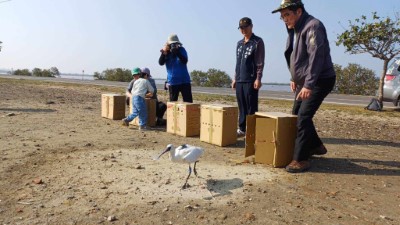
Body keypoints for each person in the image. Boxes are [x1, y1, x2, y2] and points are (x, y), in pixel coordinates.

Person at [272, 0, 336, 173]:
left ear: (299, 12)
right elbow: (296, 57)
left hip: (319, 80)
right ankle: (316, 146)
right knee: (297, 114)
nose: (284, 19)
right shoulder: (296, 29)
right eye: (282, 16)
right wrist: (295, 77)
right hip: (305, 81)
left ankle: (301, 159)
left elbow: (317, 57)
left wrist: (308, 84)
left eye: (287, 14)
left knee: (303, 117)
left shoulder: (313, 26)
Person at [232, 17, 265, 137]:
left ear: (251, 26)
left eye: (246, 27)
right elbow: (237, 61)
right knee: (241, 105)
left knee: (251, 106)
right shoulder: (239, 43)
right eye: (241, 28)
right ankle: (242, 128)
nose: (243, 30)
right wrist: (235, 78)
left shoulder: (257, 42)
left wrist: (258, 78)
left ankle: (252, 130)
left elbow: (260, 62)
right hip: (240, 79)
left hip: (251, 79)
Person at [159, 34, 193, 103]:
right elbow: (161, 63)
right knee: (173, 103)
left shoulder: (182, 50)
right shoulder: (166, 53)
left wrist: (177, 52)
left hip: (185, 81)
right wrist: (163, 53)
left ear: (178, 44)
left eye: (175, 44)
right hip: (173, 82)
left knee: (188, 102)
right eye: (172, 44)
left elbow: (185, 61)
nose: (173, 45)